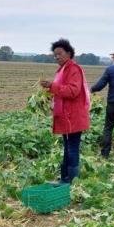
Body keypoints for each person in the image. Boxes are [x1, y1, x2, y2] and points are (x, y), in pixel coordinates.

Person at [40, 39, 90, 183]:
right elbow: (61, 90)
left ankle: (72, 182)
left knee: (72, 148)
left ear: (68, 53)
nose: (57, 57)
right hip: (67, 116)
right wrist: (49, 91)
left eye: (60, 54)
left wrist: (53, 86)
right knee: (68, 148)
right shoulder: (63, 70)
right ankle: (65, 179)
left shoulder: (74, 69)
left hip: (73, 116)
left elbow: (73, 91)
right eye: (55, 55)